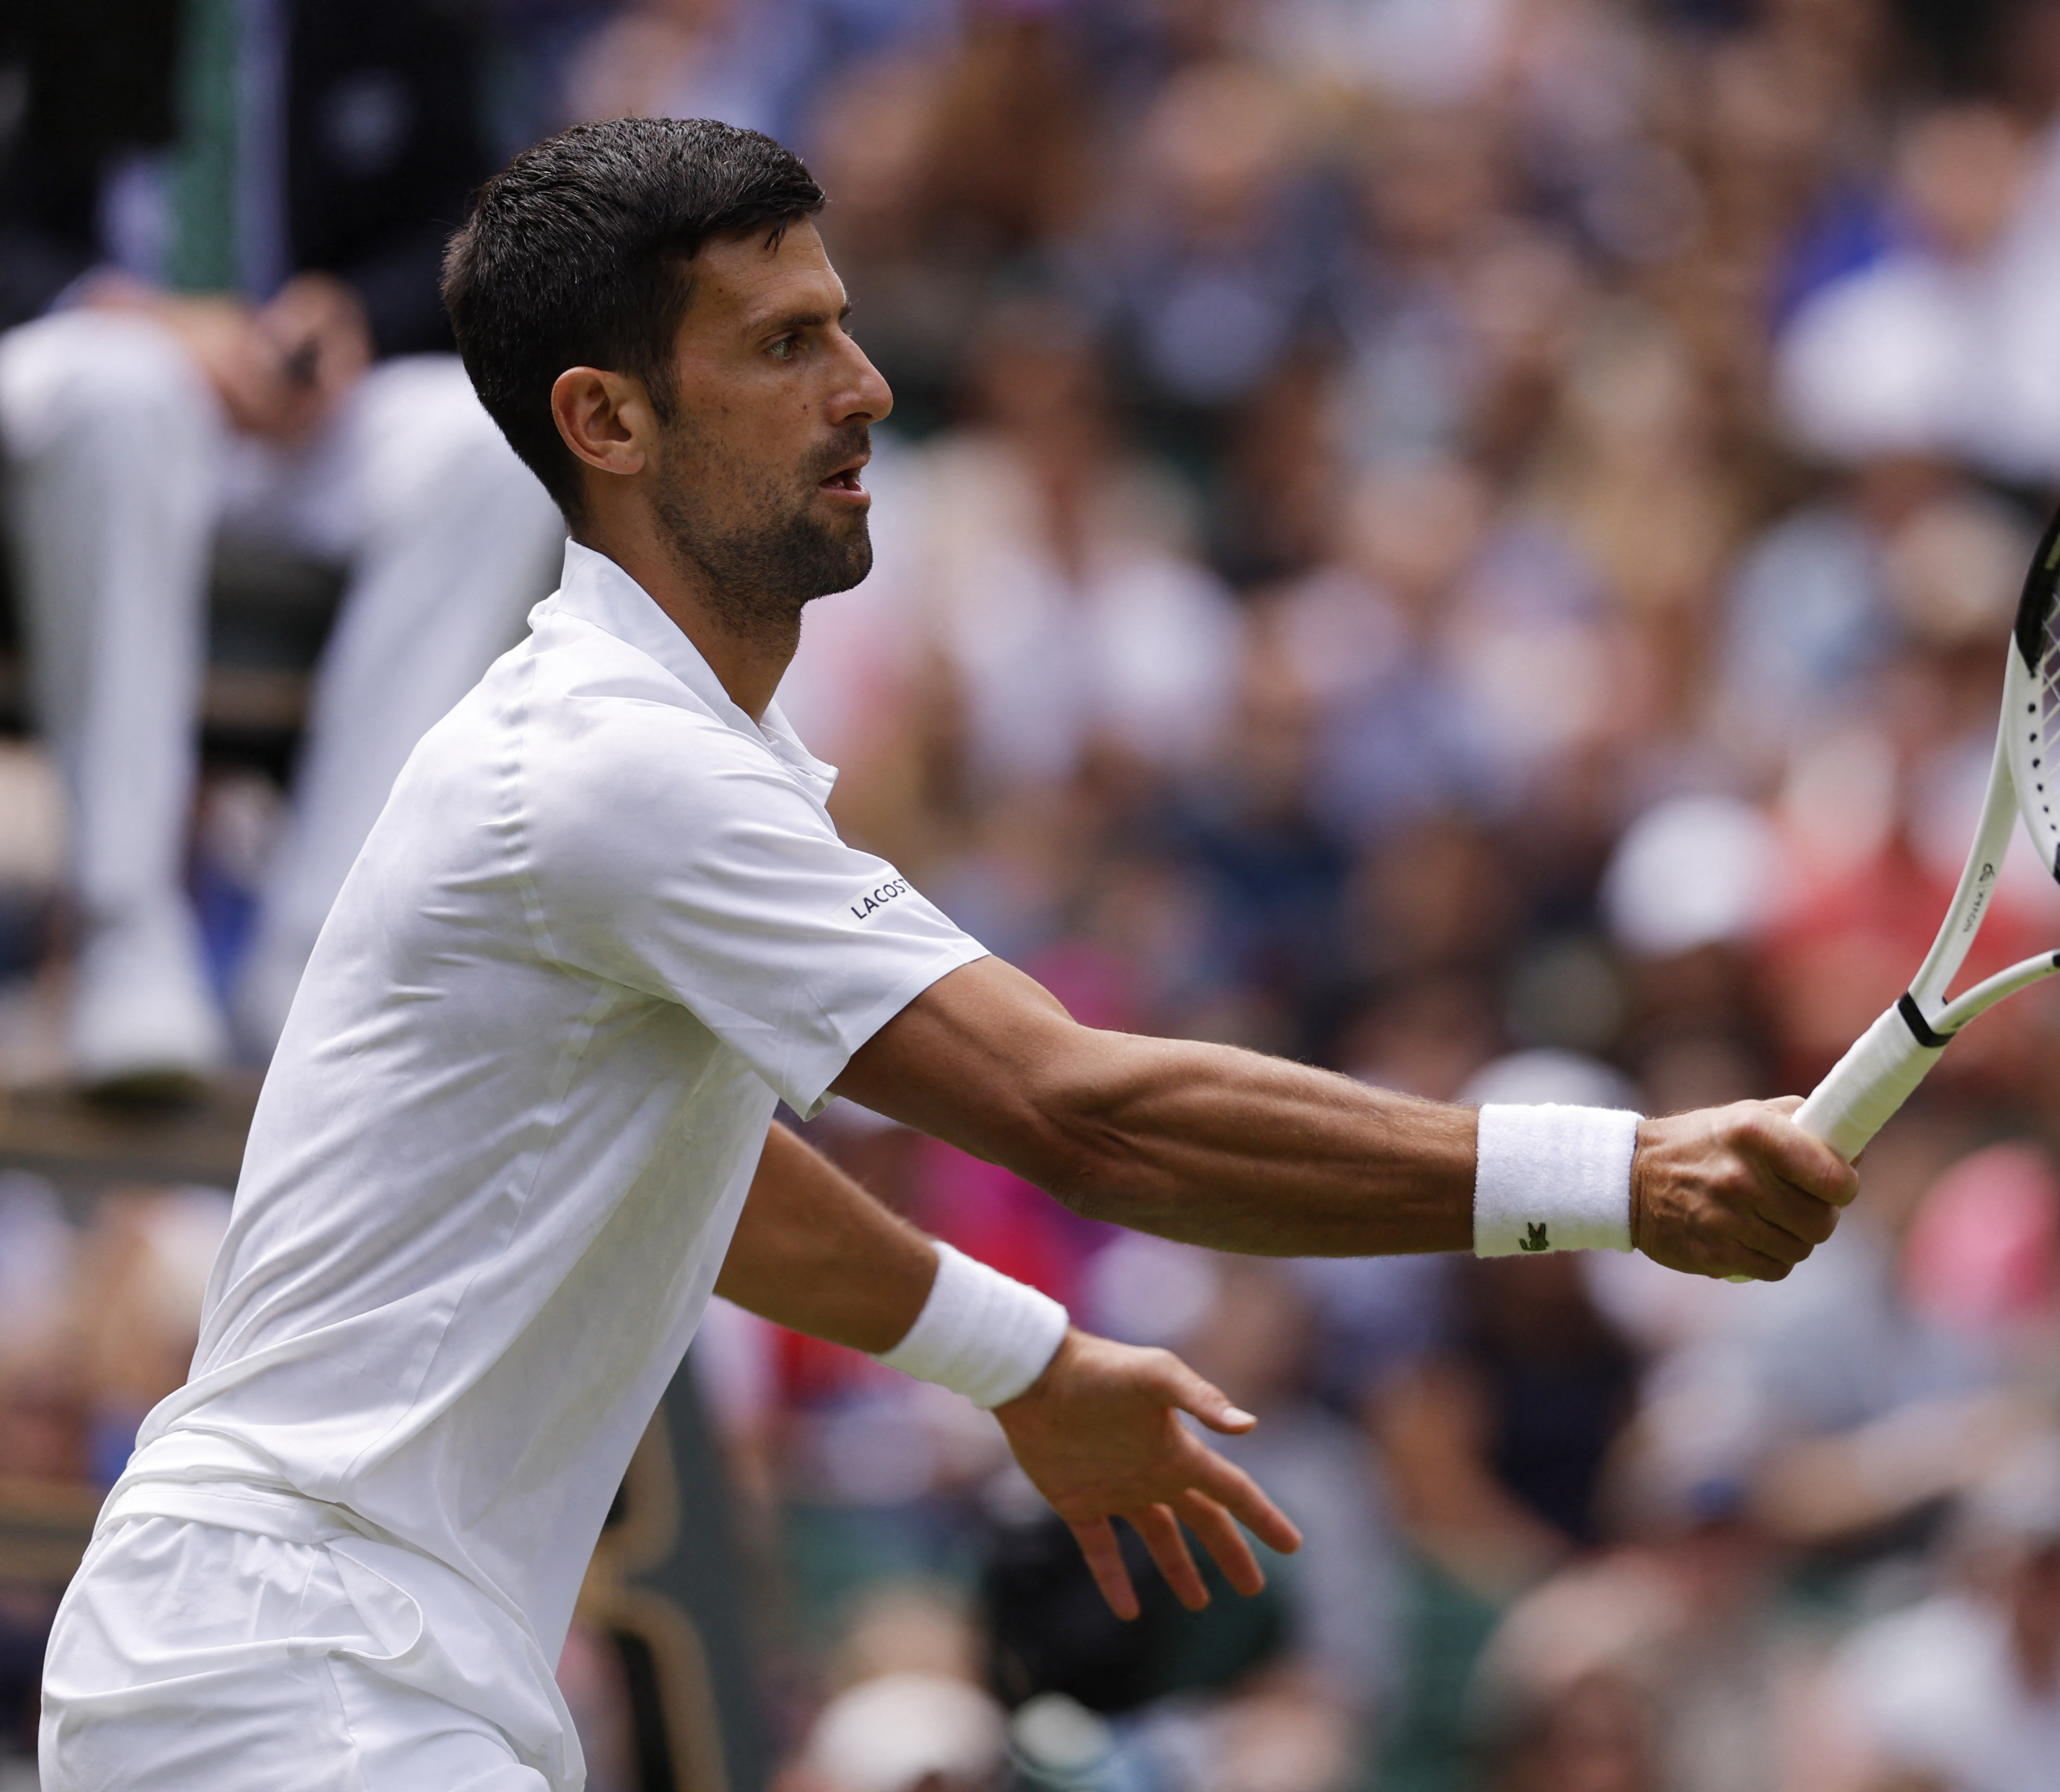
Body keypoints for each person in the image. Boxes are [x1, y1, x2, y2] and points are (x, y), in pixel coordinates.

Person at [35, 118, 1855, 1792]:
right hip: (298, 1674)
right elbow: (1086, 1117)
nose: (867, 388)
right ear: (605, 423)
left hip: (326, 1663)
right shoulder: (613, 768)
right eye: (780, 348)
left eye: (841, 326)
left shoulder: (640, 760)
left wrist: (1030, 1365)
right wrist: (1619, 1172)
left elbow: (703, 1180)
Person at [0, 0, 570, 1089]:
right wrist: (124, 311)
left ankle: (324, 959)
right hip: (87, 385)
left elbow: (477, 224)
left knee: (492, 447)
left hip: (297, 412)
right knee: (114, 394)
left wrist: (352, 314)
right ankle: (126, 932)